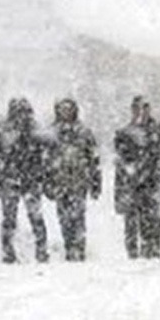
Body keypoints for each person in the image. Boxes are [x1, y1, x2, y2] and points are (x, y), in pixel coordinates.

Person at [0, 98, 49, 263]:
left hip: (29, 179)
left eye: (23, 110)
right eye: (18, 111)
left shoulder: (35, 130)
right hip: (11, 179)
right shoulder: (2, 129)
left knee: (35, 217)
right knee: (10, 219)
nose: (21, 115)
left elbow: (45, 156)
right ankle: (9, 252)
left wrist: (43, 176)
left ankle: (41, 251)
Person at [114, 96, 160, 259]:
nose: (141, 112)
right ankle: (133, 251)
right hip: (131, 182)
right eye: (137, 108)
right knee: (131, 218)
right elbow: (121, 158)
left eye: (144, 108)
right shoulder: (124, 133)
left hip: (153, 180)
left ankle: (152, 249)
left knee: (153, 216)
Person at [42, 98, 101, 261]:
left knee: (78, 217)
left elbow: (94, 159)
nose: (66, 112)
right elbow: (45, 161)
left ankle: (79, 248)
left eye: (69, 109)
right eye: (62, 109)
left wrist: (96, 183)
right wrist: (46, 183)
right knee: (64, 218)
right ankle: (69, 247)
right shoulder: (51, 133)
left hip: (79, 182)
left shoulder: (84, 132)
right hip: (59, 183)